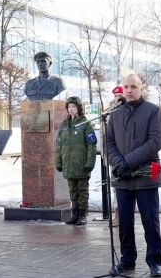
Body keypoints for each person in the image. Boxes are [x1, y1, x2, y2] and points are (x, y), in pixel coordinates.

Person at [107, 74, 161, 277]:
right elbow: (109, 142)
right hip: (123, 177)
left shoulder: (153, 111)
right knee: (124, 222)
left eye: (133, 86)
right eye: (126, 86)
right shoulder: (115, 113)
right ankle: (127, 260)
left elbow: (155, 142)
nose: (129, 90)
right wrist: (118, 162)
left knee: (150, 221)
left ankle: (154, 261)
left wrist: (128, 161)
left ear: (142, 88)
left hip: (145, 176)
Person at [55, 96, 97, 226]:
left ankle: (83, 215)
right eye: (69, 107)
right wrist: (59, 161)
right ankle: (75, 215)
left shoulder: (85, 124)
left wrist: (90, 162)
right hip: (69, 165)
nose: (71, 109)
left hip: (82, 165)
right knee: (72, 191)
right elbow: (59, 145)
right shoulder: (63, 125)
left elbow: (91, 145)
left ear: (78, 108)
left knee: (82, 191)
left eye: (73, 107)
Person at [109, 85, 124, 227]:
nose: (118, 99)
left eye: (120, 96)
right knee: (115, 187)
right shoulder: (110, 112)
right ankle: (117, 215)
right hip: (114, 158)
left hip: (127, 158)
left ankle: (124, 215)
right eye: (116, 96)